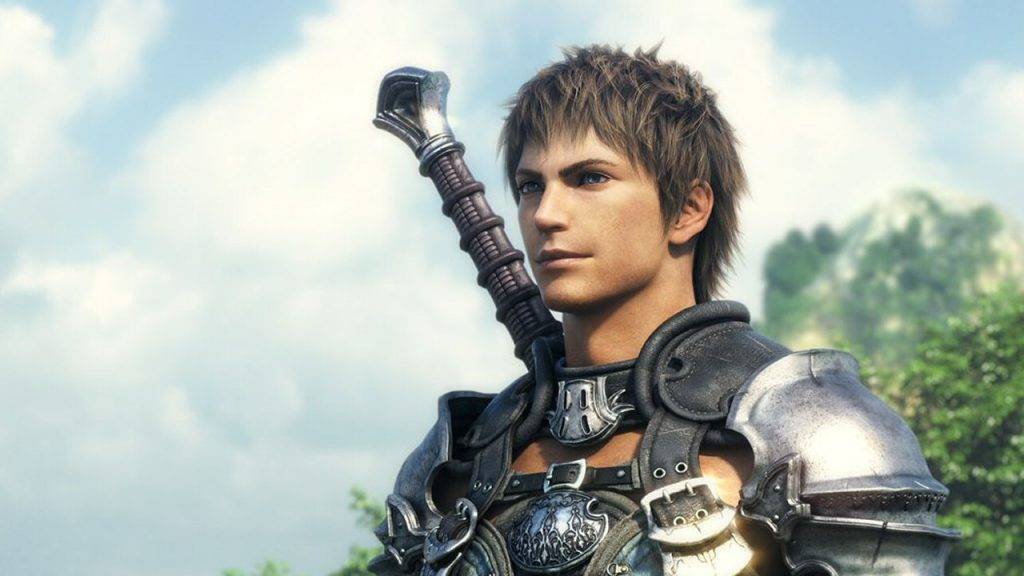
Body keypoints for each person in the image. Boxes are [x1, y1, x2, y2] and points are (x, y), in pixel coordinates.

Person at [369, 45, 958, 576]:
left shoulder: (815, 431)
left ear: (688, 209)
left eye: (589, 178)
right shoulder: (457, 462)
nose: (546, 214)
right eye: (530, 186)